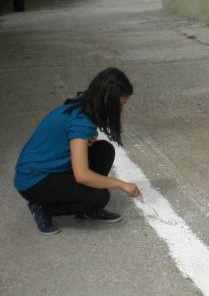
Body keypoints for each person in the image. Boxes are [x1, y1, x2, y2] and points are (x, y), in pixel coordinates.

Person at [14, 68, 142, 235]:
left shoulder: (84, 102)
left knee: (104, 150)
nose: (122, 109)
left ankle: (85, 209)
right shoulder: (81, 121)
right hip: (35, 180)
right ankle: (44, 208)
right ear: (106, 98)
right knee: (99, 197)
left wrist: (93, 134)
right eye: (121, 104)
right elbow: (82, 175)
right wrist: (121, 184)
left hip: (52, 169)